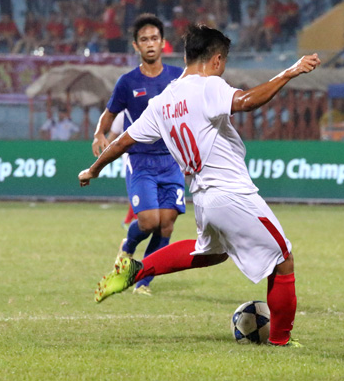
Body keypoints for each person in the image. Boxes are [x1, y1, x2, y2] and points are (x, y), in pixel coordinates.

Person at [79, 24, 320, 346]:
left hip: (204, 198)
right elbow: (247, 101)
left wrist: (94, 169)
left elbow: (122, 141)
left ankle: (135, 269)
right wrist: (289, 72)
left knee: (210, 253)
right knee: (283, 257)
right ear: (217, 59)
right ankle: (280, 340)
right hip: (232, 194)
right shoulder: (209, 86)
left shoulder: (163, 102)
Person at [91, 13, 185, 297]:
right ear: (136, 46)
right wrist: (99, 134)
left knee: (167, 223)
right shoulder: (127, 82)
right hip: (140, 159)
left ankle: (143, 282)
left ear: (163, 43)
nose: (150, 43)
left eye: (154, 38)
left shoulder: (178, 78)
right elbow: (110, 114)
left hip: (170, 161)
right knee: (148, 221)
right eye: (144, 39)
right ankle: (128, 248)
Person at [107, 112, 138, 231]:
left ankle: (129, 220)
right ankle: (132, 220)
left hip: (148, 155)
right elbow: (113, 135)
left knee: (138, 188)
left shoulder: (149, 109)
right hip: (130, 155)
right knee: (136, 187)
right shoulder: (122, 115)